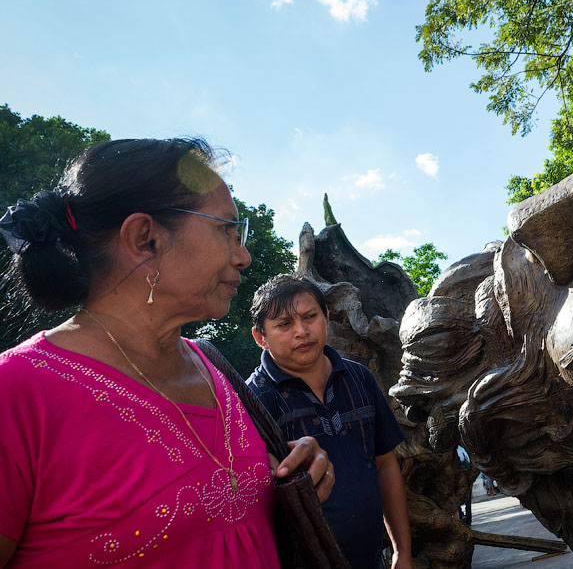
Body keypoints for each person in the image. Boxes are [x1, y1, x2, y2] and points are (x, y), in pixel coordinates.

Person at [0, 138, 334, 569]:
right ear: (146, 239)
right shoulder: (17, 392)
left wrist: (292, 471)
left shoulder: (213, 367)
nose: (244, 255)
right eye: (226, 230)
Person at [247, 274, 412, 569]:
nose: (301, 331)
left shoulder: (359, 377)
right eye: (284, 324)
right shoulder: (254, 400)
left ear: (325, 317)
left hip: (371, 558)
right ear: (261, 338)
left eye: (310, 317)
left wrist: (403, 552)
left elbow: (385, 464)